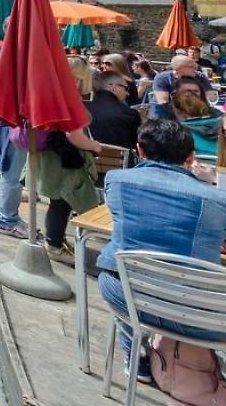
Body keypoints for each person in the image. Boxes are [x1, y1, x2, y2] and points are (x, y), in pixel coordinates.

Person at [97, 119, 226, 384]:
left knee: (114, 272)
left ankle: (136, 357)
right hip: (202, 317)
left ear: (140, 151)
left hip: (131, 300)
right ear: (190, 158)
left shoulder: (117, 181)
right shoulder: (217, 200)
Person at [35, 71, 104, 263]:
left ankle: (56, 241)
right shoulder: (69, 100)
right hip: (65, 158)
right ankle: (54, 245)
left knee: (58, 202)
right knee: (62, 202)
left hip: (50, 156)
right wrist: (94, 146)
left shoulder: (52, 95)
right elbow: (74, 136)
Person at [84, 71, 141, 150]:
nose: (127, 93)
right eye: (126, 88)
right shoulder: (129, 114)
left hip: (87, 159)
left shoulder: (82, 109)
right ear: (114, 88)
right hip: (120, 161)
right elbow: (134, 143)